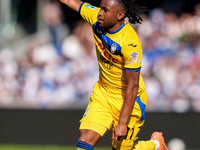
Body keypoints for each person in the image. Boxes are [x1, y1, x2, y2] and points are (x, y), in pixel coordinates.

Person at [59, 0, 169, 149]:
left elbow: (133, 85)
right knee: (85, 139)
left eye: (105, 10)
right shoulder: (96, 17)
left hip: (128, 100)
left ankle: (155, 145)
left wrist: (122, 122)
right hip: (104, 94)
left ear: (120, 15)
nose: (100, 13)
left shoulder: (130, 44)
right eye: (100, 8)